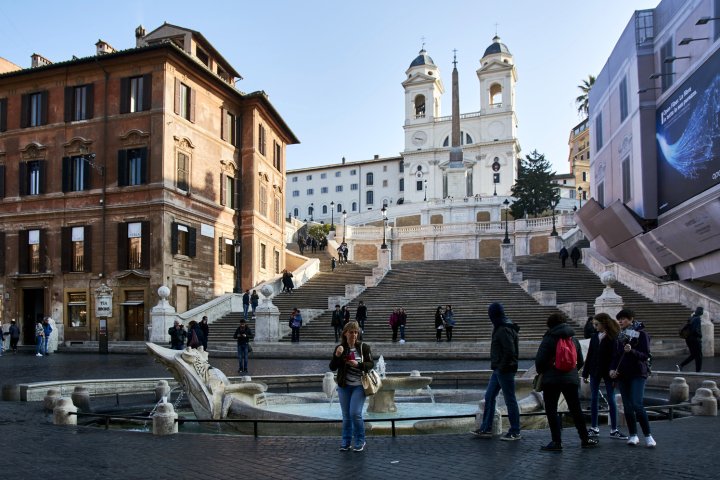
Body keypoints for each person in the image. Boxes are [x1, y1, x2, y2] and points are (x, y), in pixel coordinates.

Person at [535, 312, 597, 451]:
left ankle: (556, 442)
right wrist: (571, 371)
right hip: (570, 379)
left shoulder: (549, 338)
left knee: (551, 410)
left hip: (551, 380)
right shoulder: (573, 338)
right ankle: (585, 438)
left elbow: (540, 361)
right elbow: (580, 361)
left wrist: (545, 371)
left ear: (550, 324)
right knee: (576, 409)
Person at [472, 302, 521, 441]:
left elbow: (510, 351)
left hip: (504, 369)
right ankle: (486, 428)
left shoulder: (503, 328)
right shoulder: (503, 325)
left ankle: (515, 431)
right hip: (499, 369)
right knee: (489, 396)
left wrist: (501, 366)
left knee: (510, 400)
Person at [611, 308, 656, 448]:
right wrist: (612, 369)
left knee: (637, 404)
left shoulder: (641, 334)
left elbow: (645, 355)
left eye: (623, 319)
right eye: (619, 319)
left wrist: (632, 351)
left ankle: (648, 436)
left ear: (631, 320)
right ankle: (633, 435)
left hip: (638, 373)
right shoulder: (619, 336)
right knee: (628, 406)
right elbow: (616, 356)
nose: (620, 321)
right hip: (623, 374)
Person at [329, 321, 374, 452]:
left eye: (356, 332)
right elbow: (332, 367)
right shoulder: (340, 348)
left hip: (359, 385)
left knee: (355, 413)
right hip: (344, 385)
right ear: (345, 333)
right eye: (351, 332)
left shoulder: (364, 347)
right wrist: (337, 355)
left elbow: (371, 364)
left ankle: (360, 440)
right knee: (346, 415)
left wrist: (358, 365)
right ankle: (346, 441)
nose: (354, 334)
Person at [582, 313, 627, 440]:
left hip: (608, 372)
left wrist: (614, 372)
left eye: (596, 324)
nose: (595, 327)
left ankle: (614, 429)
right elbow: (589, 356)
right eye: (594, 324)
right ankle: (594, 427)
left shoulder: (614, 337)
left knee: (611, 400)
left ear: (603, 324)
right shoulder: (595, 337)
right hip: (595, 371)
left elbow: (616, 356)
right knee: (594, 399)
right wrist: (585, 373)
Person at [678, 307, 703, 372]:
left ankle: (681, 365)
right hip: (695, 339)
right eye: (701, 310)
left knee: (693, 355)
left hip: (688, 339)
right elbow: (694, 330)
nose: (701, 311)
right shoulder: (697, 319)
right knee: (699, 356)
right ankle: (698, 371)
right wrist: (700, 335)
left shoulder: (691, 318)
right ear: (699, 312)